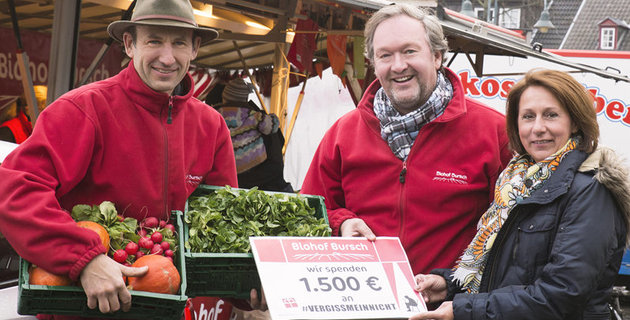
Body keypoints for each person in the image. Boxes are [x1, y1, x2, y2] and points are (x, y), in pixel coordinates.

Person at [0, 0, 267, 316]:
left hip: (168, 307)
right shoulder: (84, 109)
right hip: (84, 307)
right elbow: (15, 189)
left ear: (195, 49)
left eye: (179, 42)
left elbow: (221, 224)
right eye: (154, 40)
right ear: (129, 44)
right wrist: (84, 258)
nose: (167, 58)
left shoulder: (211, 126)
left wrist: (244, 285)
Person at [300, 3, 512, 276]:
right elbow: (309, 211)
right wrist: (340, 222)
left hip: (448, 309)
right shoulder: (343, 134)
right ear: (373, 64)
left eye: (409, 51)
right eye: (385, 55)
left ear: (436, 56)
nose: (398, 66)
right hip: (362, 305)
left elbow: (516, 228)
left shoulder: (494, 131)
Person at [411, 69, 630, 320]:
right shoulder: (515, 183)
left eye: (551, 115)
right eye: (527, 116)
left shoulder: (591, 191)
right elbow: (505, 273)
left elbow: (561, 295)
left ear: (576, 122)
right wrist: (448, 284)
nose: (538, 128)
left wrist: (464, 309)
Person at [212, 78, 293, 192]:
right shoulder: (255, 116)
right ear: (245, 99)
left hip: (226, 182)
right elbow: (271, 127)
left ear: (224, 98)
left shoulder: (214, 118)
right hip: (258, 177)